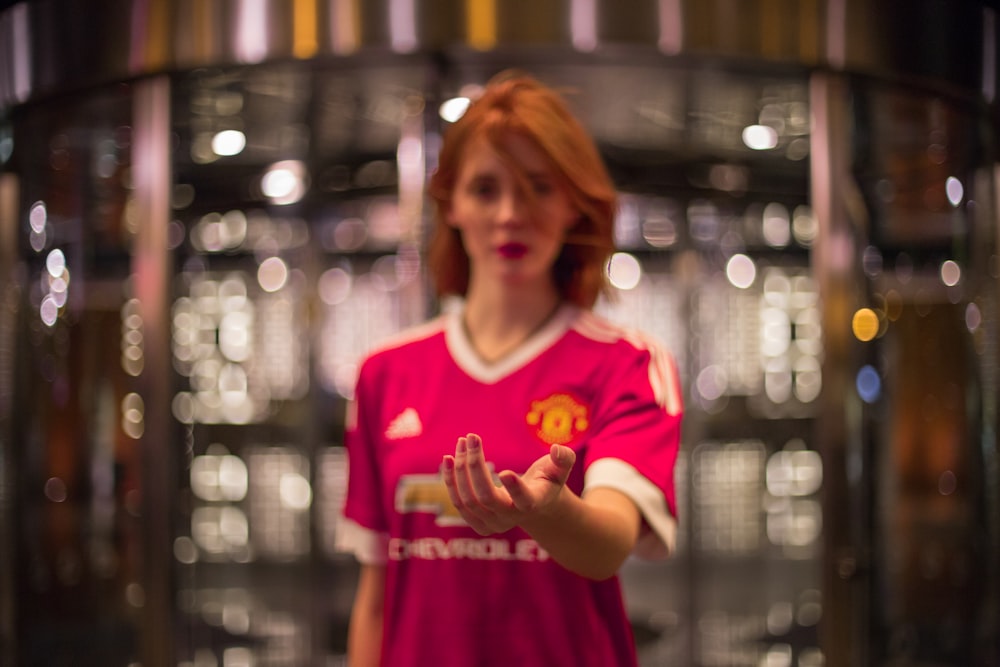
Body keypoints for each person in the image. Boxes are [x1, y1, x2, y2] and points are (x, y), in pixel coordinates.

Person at [337, 71, 683, 667]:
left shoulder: (627, 364)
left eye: (539, 188)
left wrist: (548, 511)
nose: (511, 214)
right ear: (451, 205)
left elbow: (608, 546)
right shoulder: (383, 373)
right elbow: (376, 596)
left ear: (575, 204)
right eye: (486, 189)